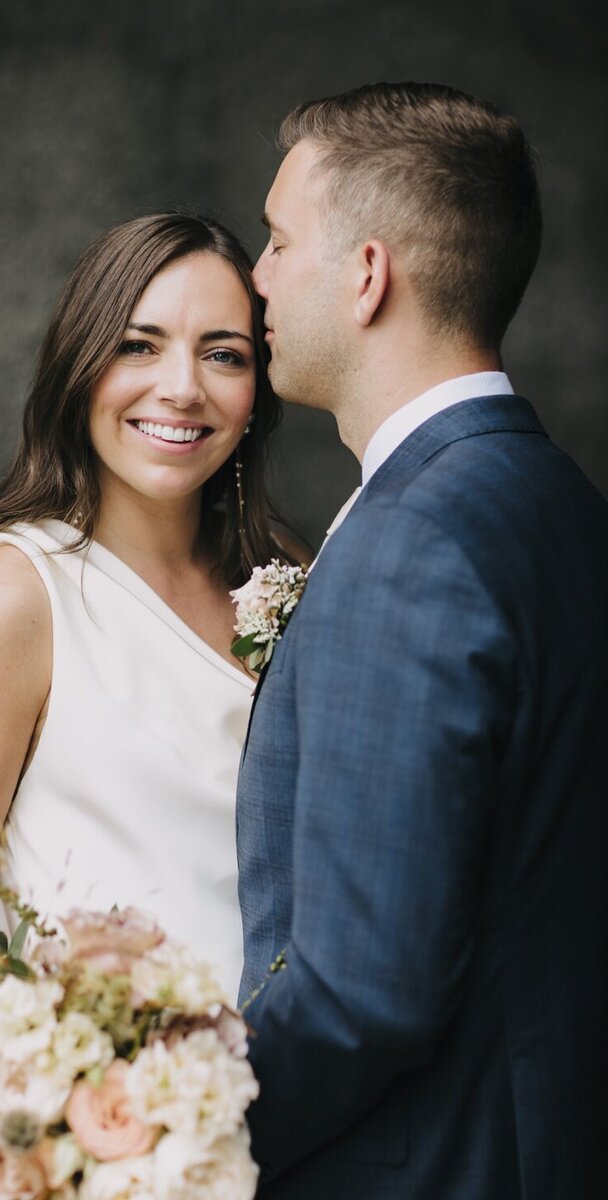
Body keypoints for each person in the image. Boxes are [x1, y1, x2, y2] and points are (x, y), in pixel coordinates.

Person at [236, 83, 608, 1198]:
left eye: (277, 237)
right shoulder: (557, 501)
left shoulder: (414, 542)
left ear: (365, 274)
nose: (255, 271)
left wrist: (164, 1152)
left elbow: (361, 996)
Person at [0, 212, 292, 1017]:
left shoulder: (283, 575)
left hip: (300, 1106)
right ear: (80, 365)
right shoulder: (15, 592)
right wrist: (89, 1072)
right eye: (138, 345)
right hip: (111, 1114)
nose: (182, 387)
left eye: (224, 355)